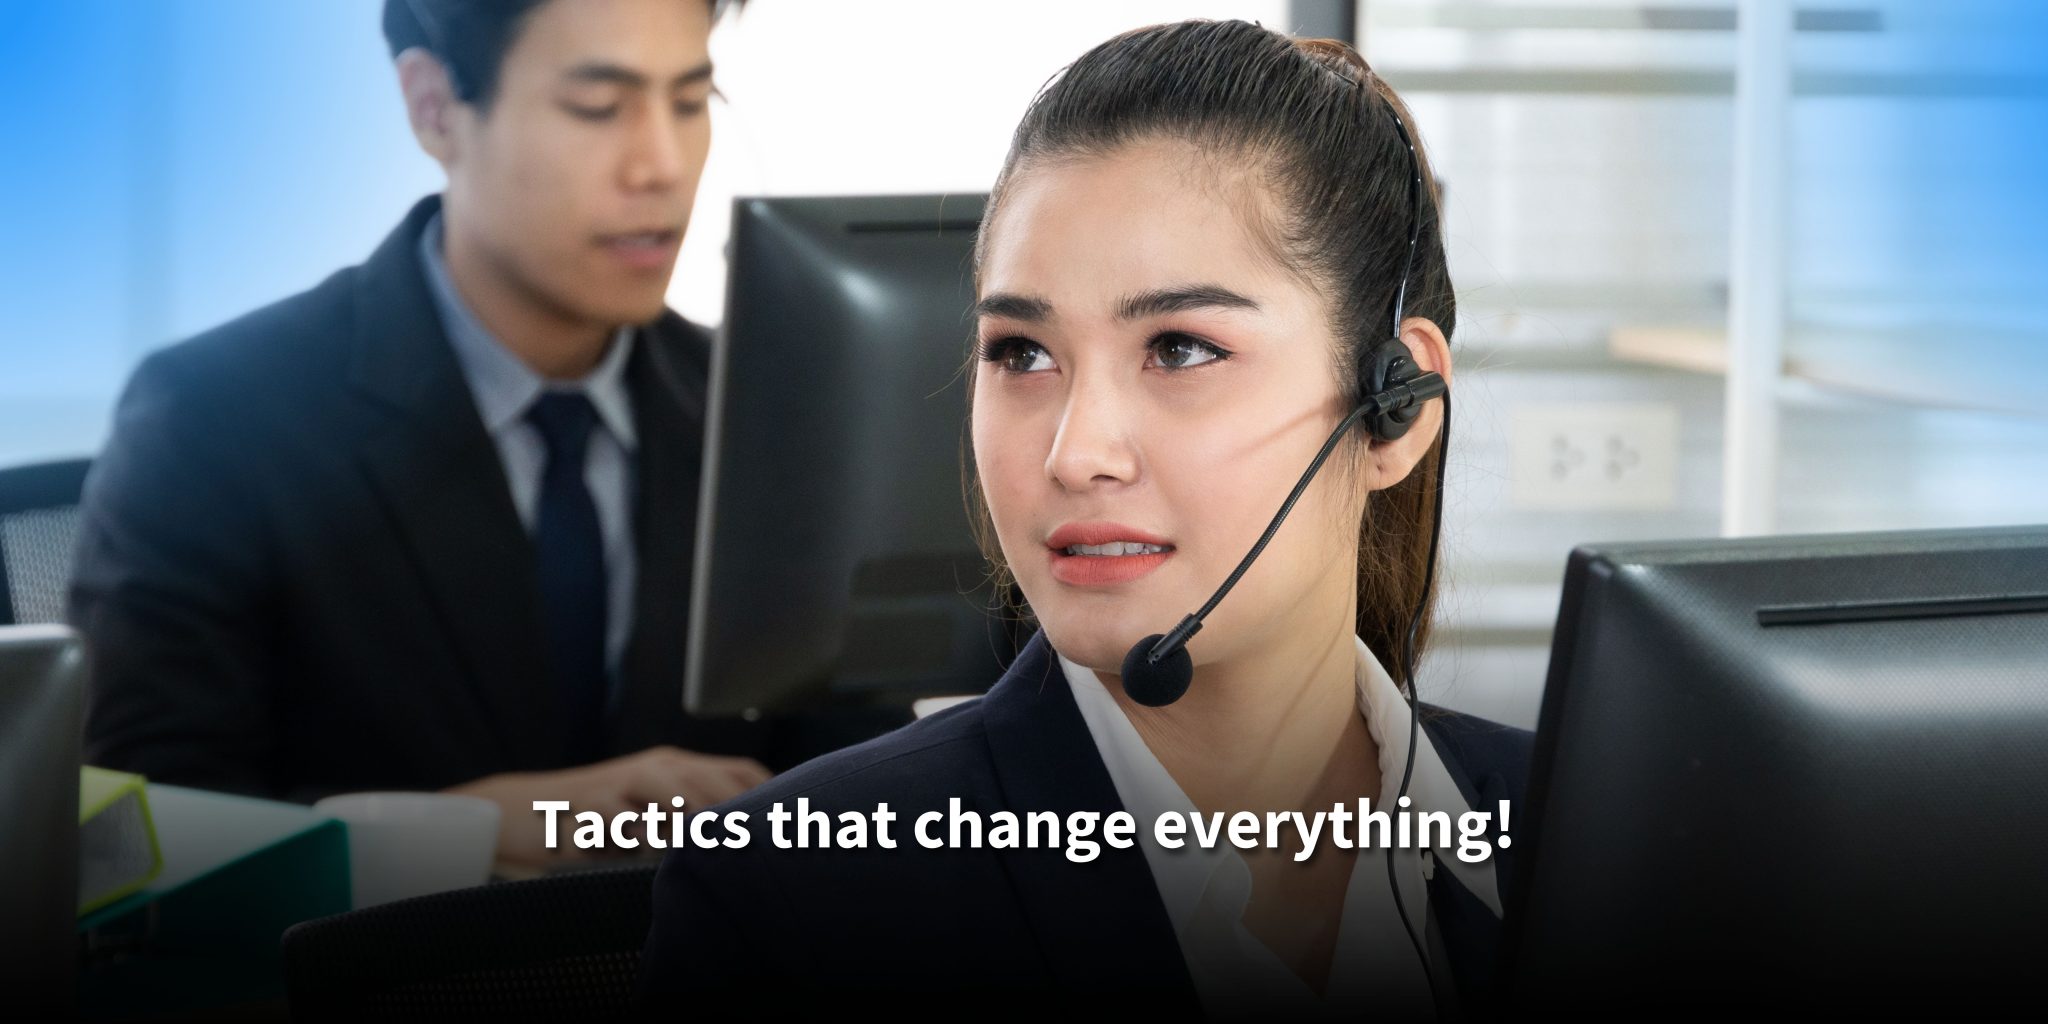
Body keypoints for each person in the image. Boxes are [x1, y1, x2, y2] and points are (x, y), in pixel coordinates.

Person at [640, 20, 1531, 1019]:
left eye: (1180, 348)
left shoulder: (1606, 837)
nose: (1072, 454)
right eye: (1020, 353)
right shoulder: (794, 905)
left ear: (1396, 408)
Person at [68, 0, 889, 866]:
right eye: (598, 108)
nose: (662, 164)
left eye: (690, 102)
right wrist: (464, 830)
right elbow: (133, 836)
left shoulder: (767, 408)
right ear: (432, 108)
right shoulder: (210, 417)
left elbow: (867, 776)